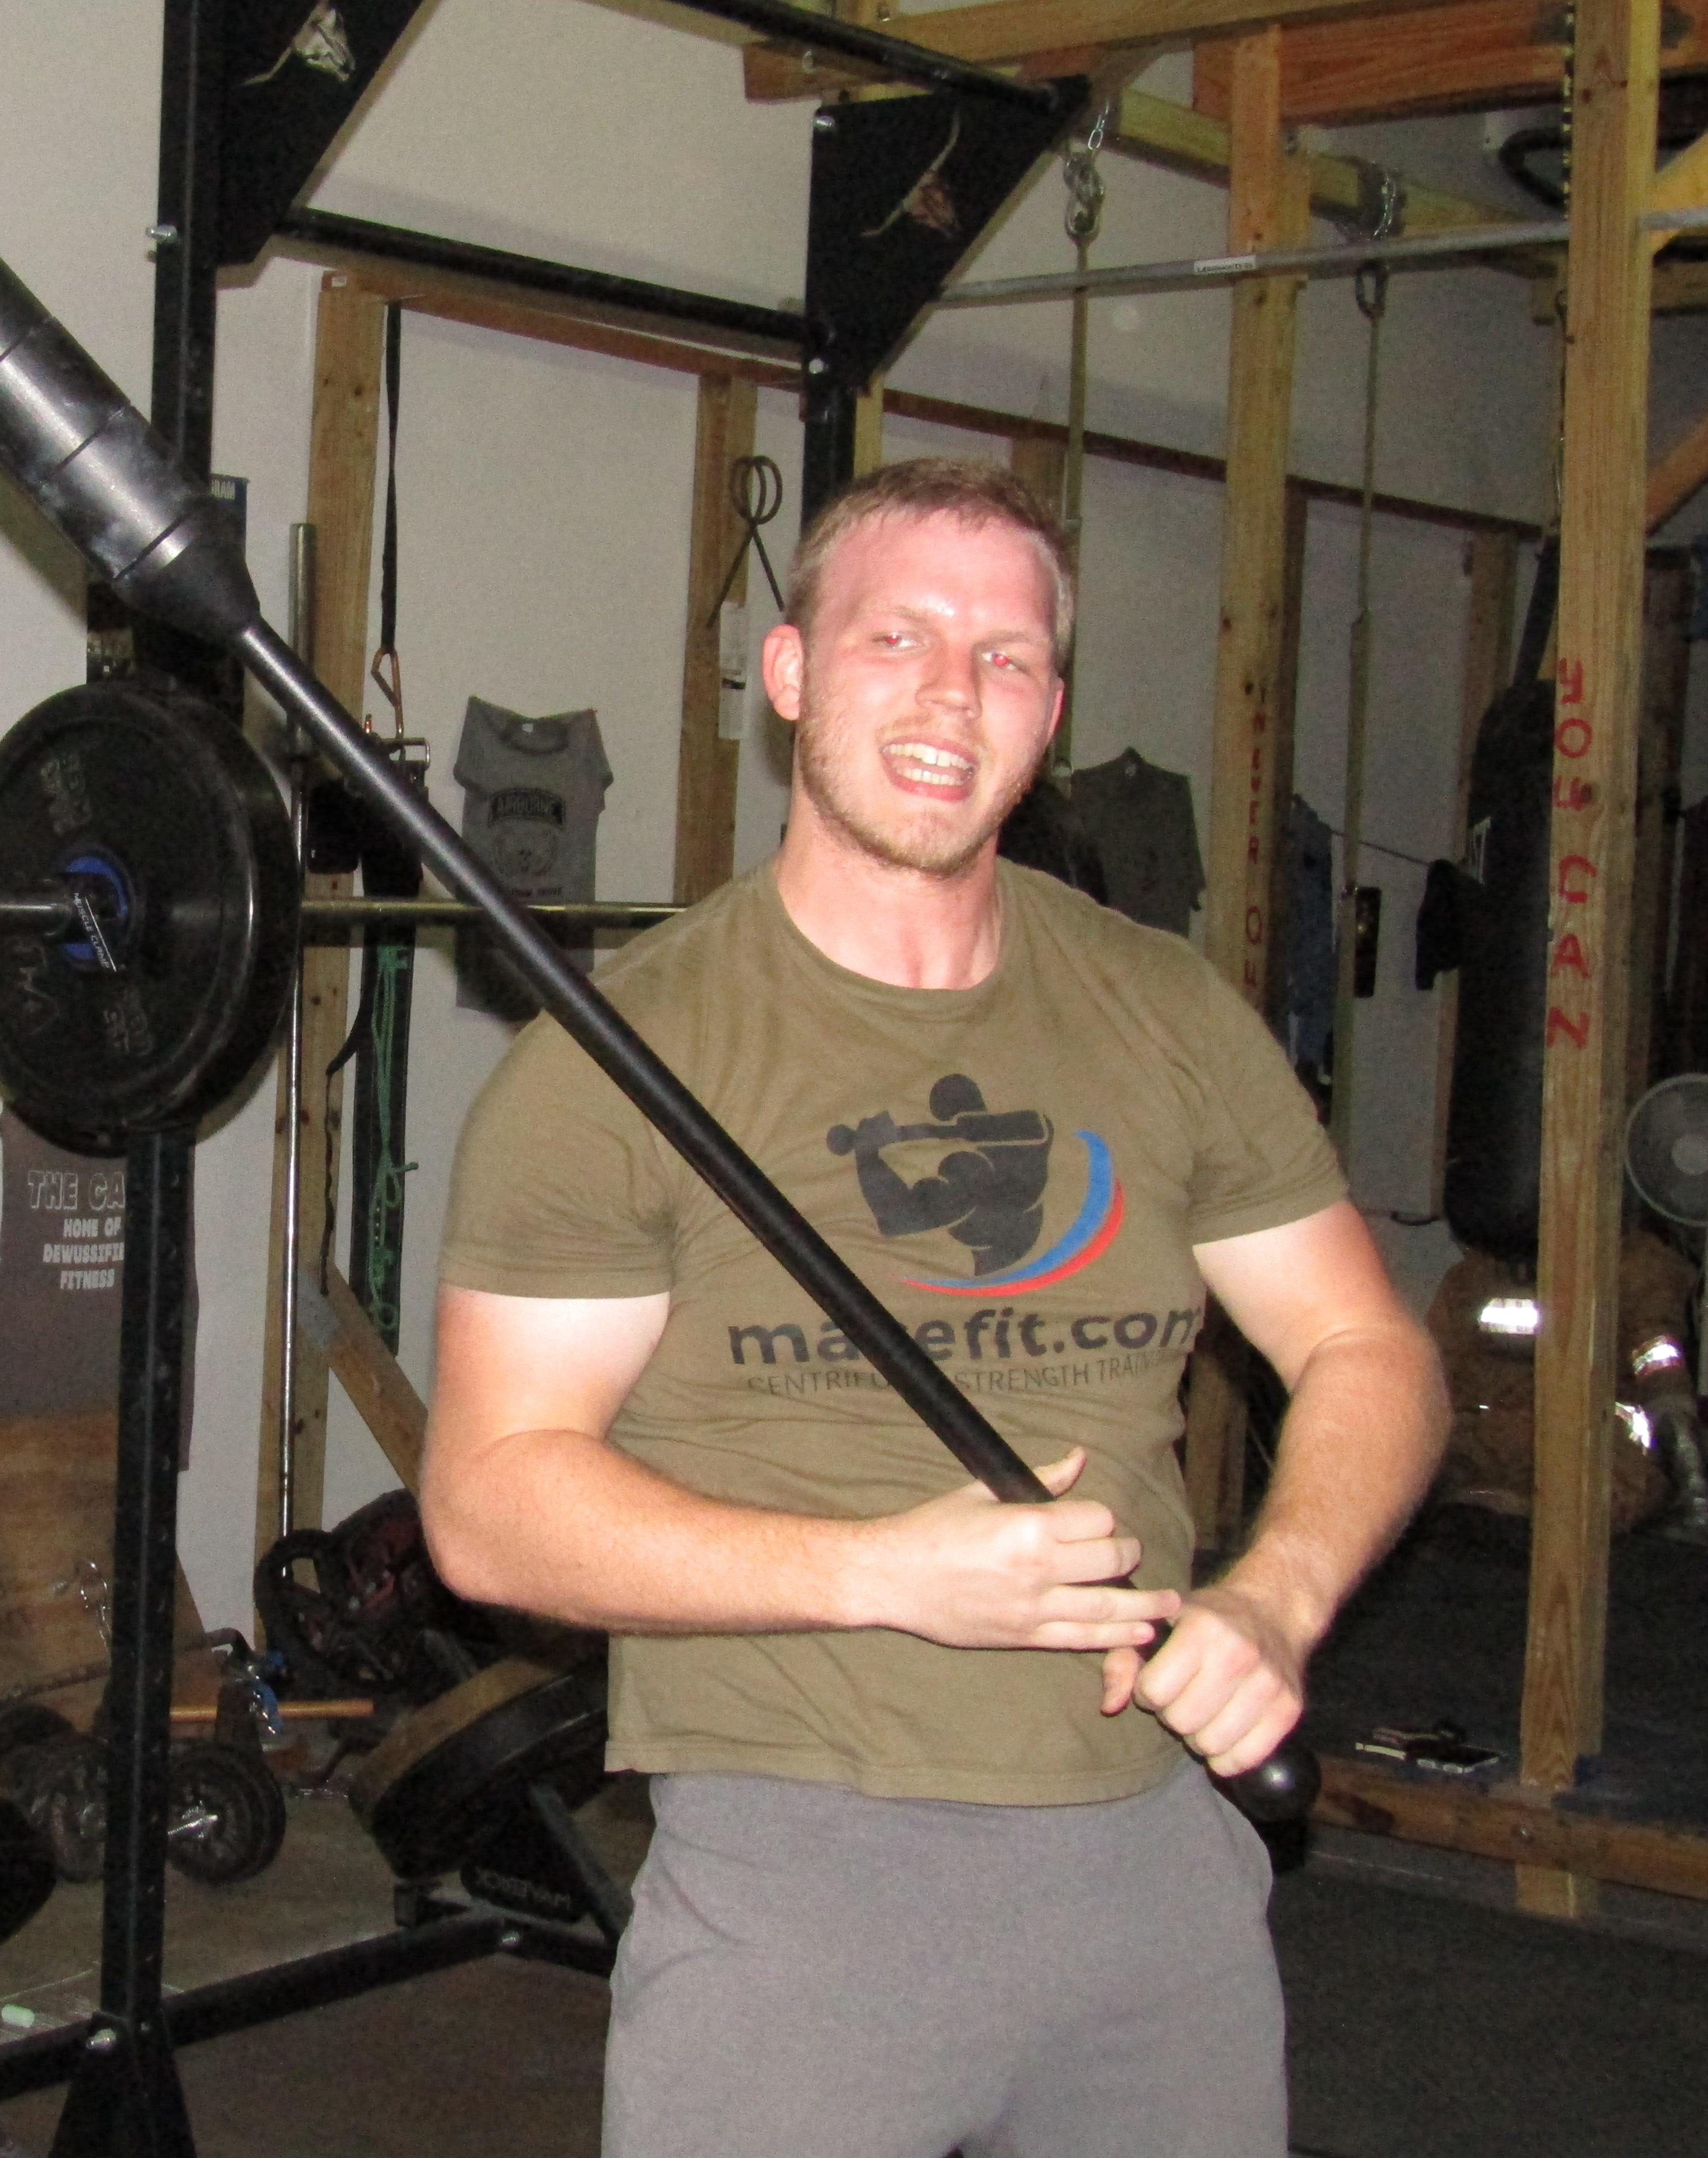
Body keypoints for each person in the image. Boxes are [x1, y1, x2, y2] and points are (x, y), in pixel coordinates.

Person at [424, 459, 1447, 2158]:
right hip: (805, 1892)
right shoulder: (616, 1058)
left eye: (1005, 655)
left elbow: (1366, 1346)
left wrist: (1275, 1600)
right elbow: (486, 1504)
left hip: (1159, 1875)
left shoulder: (1164, 1008)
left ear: (1051, 706)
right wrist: (878, 1574)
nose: (951, 694)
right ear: (790, 673)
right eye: (895, 637)